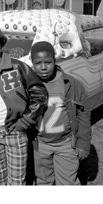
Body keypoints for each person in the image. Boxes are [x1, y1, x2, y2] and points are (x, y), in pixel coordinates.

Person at [0, 26, 48, 185]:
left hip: (15, 132)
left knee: (17, 180)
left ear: (1, 44)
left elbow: (39, 94)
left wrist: (24, 122)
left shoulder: (18, 67)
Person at [30, 41, 91, 185]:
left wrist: (83, 143)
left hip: (65, 144)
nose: (43, 67)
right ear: (32, 63)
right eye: (38, 63)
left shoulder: (72, 84)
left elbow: (83, 114)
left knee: (67, 182)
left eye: (48, 62)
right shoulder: (28, 85)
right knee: (43, 181)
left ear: (55, 60)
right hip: (40, 144)